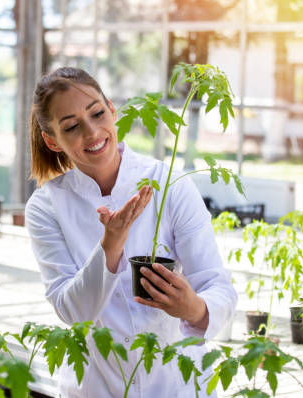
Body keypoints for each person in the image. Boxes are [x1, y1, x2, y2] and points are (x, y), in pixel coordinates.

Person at [25, 66, 237, 398]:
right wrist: (111, 244)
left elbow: (217, 284)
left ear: (112, 109)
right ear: (52, 140)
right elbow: (71, 311)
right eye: (72, 127)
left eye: (97, 113)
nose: (92, 132)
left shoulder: (169, 184)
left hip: (175, 384)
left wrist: (194, 308)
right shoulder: (46, 206)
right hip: (97, 386)